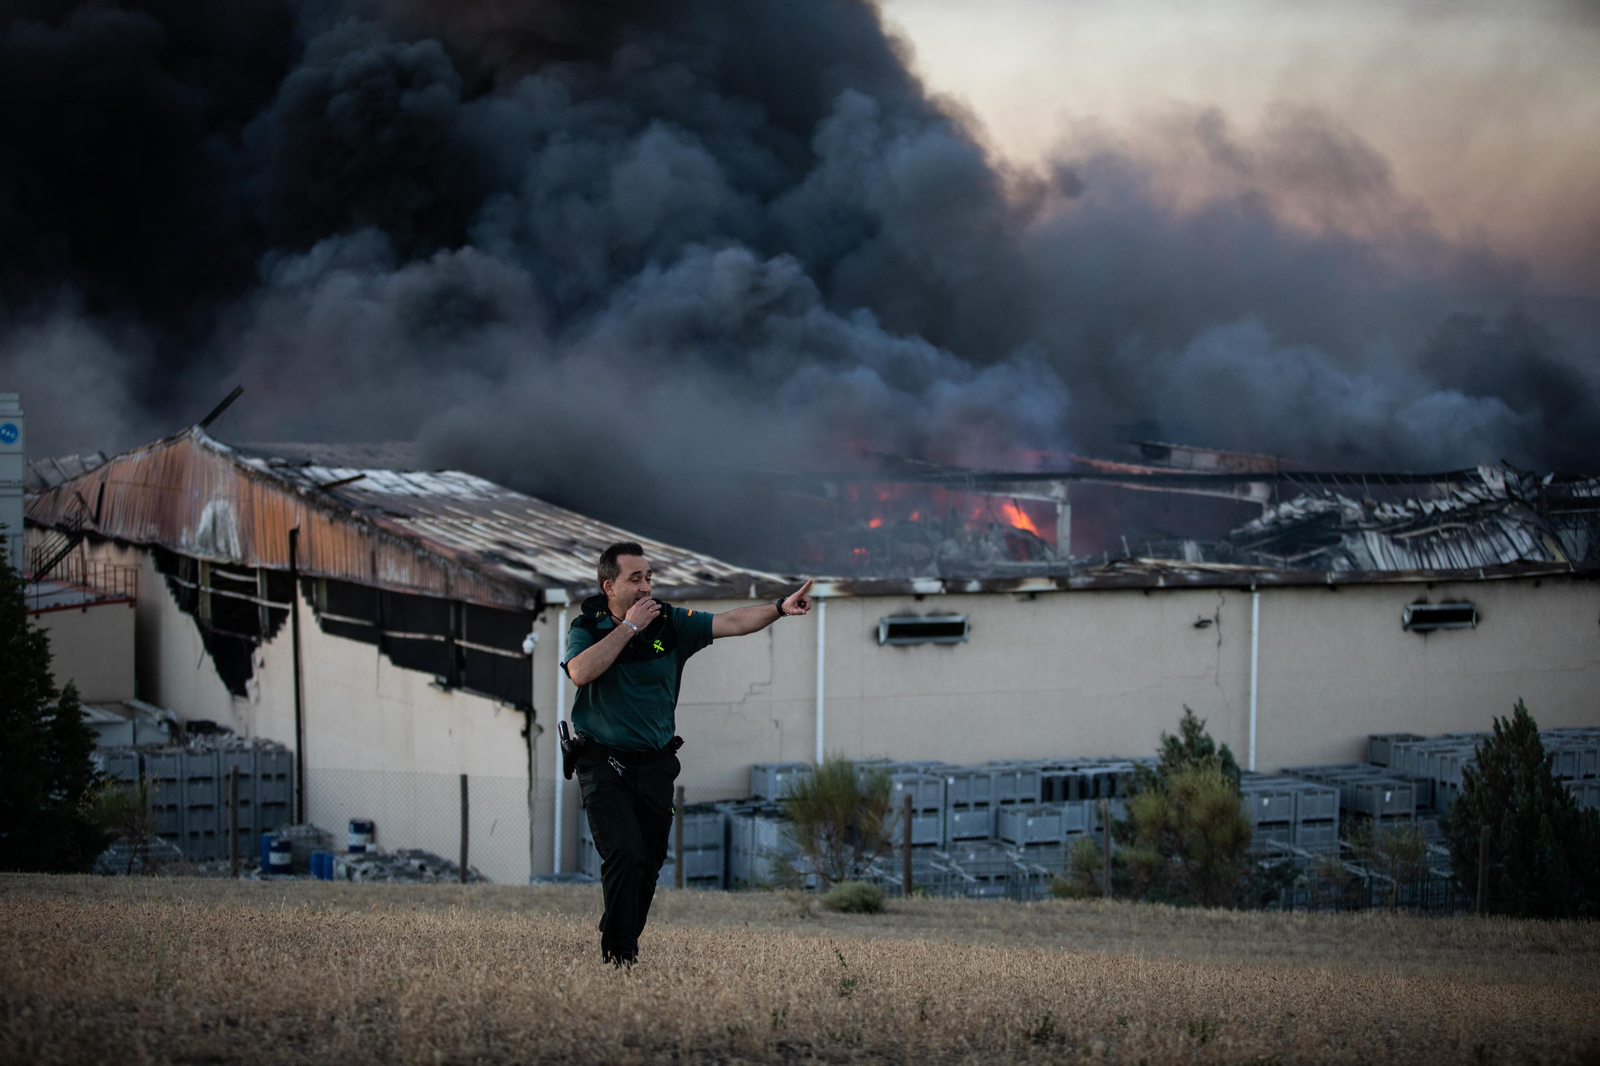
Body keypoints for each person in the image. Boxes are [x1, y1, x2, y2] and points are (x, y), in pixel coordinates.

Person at [563, 541, 813, 966]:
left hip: (655, 764)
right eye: (635, 579)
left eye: (649, 577)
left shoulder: (672, 623)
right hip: (602, 761)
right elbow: (580, 672)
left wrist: (779, 607)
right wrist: (629, 630)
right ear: (609, 586)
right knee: (624, 852)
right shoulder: (586, 626)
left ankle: (619, 934)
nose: (646, 587)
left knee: (650, 861)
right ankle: (620, 955)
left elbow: (731, 621)